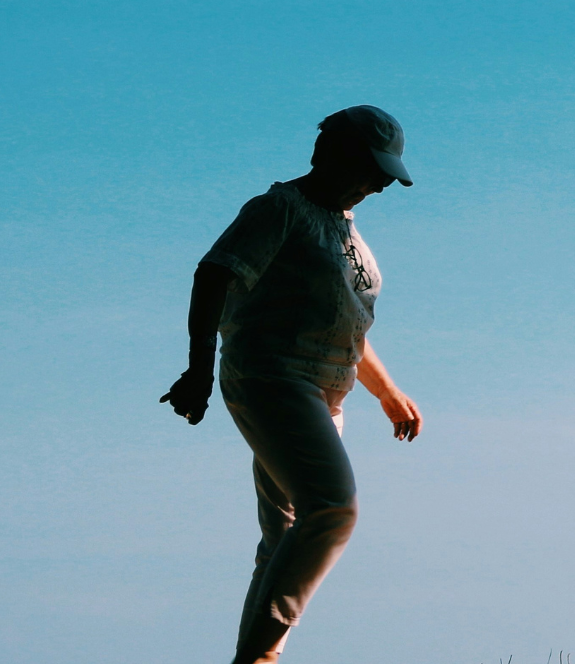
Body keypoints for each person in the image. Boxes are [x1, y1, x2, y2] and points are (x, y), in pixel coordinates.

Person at [161, 105, 425, 664]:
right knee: (332, 506)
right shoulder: (279, 209)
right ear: (331, 155)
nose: (381, 184)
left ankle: (264, 655)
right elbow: (215, 273)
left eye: (386, 174)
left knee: (284, 536)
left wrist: (387, 392)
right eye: (374, 169)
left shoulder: (347, 228)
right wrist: (197, 368)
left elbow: (344, 318)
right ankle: (255, 658)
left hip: (326, 391)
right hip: (271, 377)